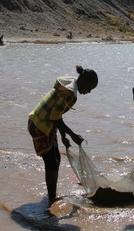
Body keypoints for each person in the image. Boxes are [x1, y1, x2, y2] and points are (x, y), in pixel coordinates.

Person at [29, 65, 98, 204]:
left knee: (56, 159)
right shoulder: (70, 94)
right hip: (40, 125)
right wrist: (72, 135)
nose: (89, 92)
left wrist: (63, 136)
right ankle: (51, 199)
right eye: (90, 88)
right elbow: (55, 117)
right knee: (51, 162)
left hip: (47, 124)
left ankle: (52, 196)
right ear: (84, 82)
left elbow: (56, 114)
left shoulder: (70, 84)